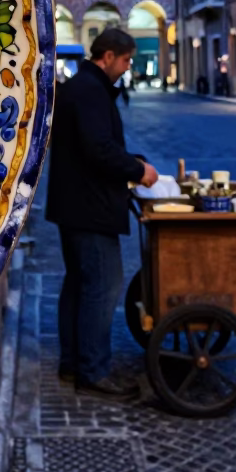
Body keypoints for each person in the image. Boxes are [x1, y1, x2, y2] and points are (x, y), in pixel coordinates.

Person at [46, 27, 158, 398]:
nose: (127, 67)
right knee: (103, 286)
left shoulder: (82, 87)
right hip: (89, 207)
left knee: (79, 284)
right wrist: (138, 171)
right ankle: (93, 371)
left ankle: (72, 362)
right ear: (107, 56)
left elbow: (95, 145)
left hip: (75, 204)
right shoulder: (91, 90)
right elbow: (98, 149)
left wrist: (131, 160)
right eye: (126, 60)